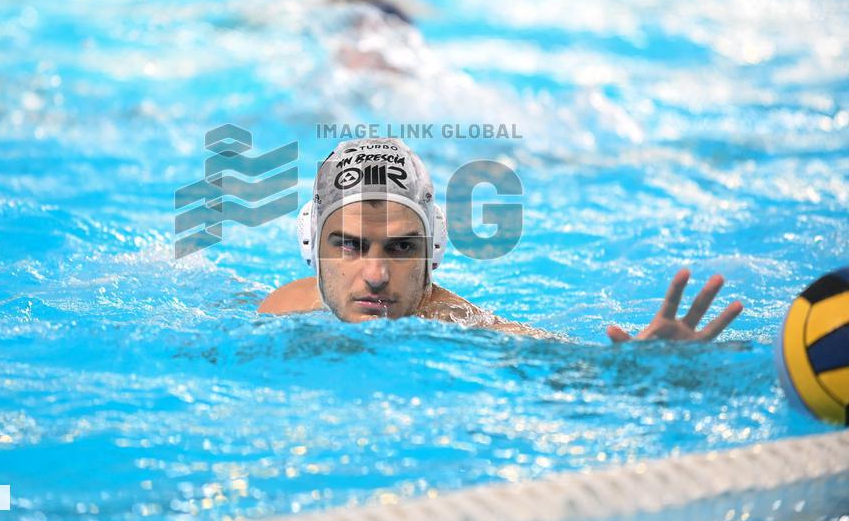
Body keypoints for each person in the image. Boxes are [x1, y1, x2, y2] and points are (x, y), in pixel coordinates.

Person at [258, 138, 745, 342]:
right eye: (348, 245)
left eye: (402, 247)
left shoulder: (466, 331)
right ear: (309, 244)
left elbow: (563, 364)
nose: (376, 275)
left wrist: (647, 374)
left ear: (434, 252)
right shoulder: (278, 310)